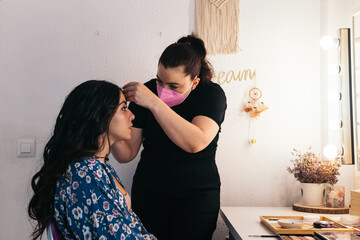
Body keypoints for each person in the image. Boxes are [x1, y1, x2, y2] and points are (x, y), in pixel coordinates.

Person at [112, 34, 227, 239]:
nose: (164, 90)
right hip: (150, 192)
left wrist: (154, 103)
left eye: (174, 86)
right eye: (159, 81)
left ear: (195, 82)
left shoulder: (211, 94)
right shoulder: (146, 92)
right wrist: (106, 122)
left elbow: (195, 142)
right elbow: (126, 153)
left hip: (197, 196)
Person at [28, 80, 156, 240]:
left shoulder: (97, 165)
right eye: (123, 108)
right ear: (98, 116)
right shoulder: (85, 176)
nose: (132, 115)